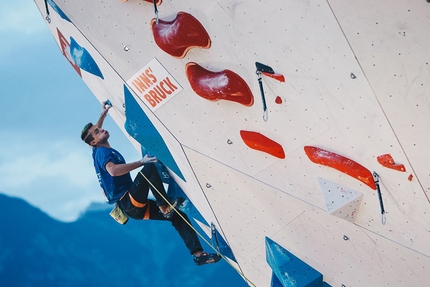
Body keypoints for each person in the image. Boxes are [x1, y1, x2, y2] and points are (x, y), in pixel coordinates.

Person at [80, 100, 220, 266]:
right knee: (148, 169)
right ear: (94, 142)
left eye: (99, 128)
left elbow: (94, 132)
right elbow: (113, 171)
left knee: (178, 216)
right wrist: (141, 161)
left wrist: (103, 114)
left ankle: (198, 255)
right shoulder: (102, 152)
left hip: (134, 208)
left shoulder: (95, 149)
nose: (101, 129)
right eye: (98, 131)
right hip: (129, 202)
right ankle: (165, 206)